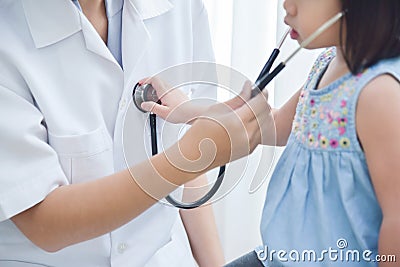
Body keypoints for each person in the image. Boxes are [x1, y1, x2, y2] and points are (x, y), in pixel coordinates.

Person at [143, 0, 400, 266]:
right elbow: (273, 125)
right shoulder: (328, 62)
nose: (287, 6)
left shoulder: (379, 94)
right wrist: (190, 110)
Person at [0, 0, 227, 266]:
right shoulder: (9, 29)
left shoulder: (180, 7)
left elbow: (186, 154)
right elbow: (43, 222)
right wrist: (185, 158)